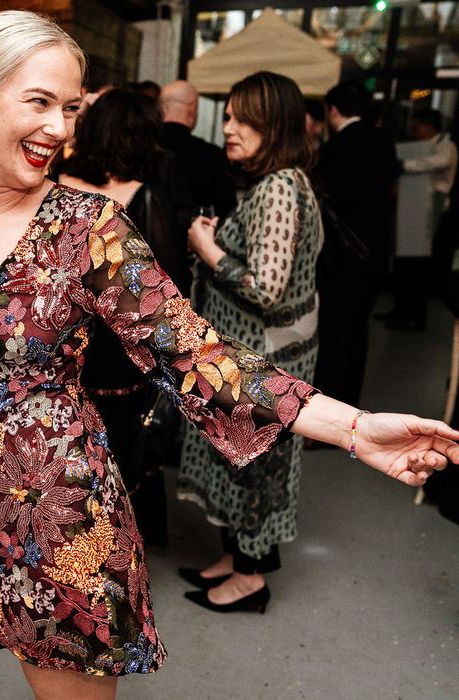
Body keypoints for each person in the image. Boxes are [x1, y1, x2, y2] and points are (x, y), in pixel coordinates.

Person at [0, 12, 457, 699]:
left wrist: (356, 429)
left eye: (69, 108)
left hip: (65, 526)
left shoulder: (87, 229)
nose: (59, 129)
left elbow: (199, 356)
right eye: (39, 102)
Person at [178, 71, 322, 613]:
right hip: (254, 356)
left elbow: (267, 287)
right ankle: (236, 559)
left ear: (273, 124)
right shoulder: (274, 184)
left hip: (267, 362)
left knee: (258, 468)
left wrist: (206, 247)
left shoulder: (281, 187)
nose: (228, 127)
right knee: (240, 463)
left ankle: (251, 579)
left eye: (240, 117)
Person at [58, 87, 187, 546]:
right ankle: (115, 545)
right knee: (119, 444)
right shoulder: (144, 197)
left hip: (57, 339)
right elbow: (167, 296)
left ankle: (68, 539)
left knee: (67, 447)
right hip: (116, 353)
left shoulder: (56, 186)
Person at [314, 81, 399, 408]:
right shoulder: (384, 140)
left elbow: (343, 194)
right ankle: (350, 403)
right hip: (375, 250)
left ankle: (333, 414)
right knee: (356, 334)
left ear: (332, 110)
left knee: (335, 336)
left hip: (344, 256)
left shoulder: (341, 144)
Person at [383, 108, 458, 332]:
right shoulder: (424, 147)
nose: (414, 133)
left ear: (429, 127)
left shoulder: (446, 145)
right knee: (405, 262)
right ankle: (402, 308)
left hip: (432, 212)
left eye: (417, 128)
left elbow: (438, 163)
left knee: (418, 266)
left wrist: (404, 165)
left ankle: (414, 314)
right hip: (414, 210)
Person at [159, 79, 236, 221]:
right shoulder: (212, 156)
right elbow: (227, 212)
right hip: (192, 239)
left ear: (161, 108)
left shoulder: (141, 147)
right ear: (192, 108)